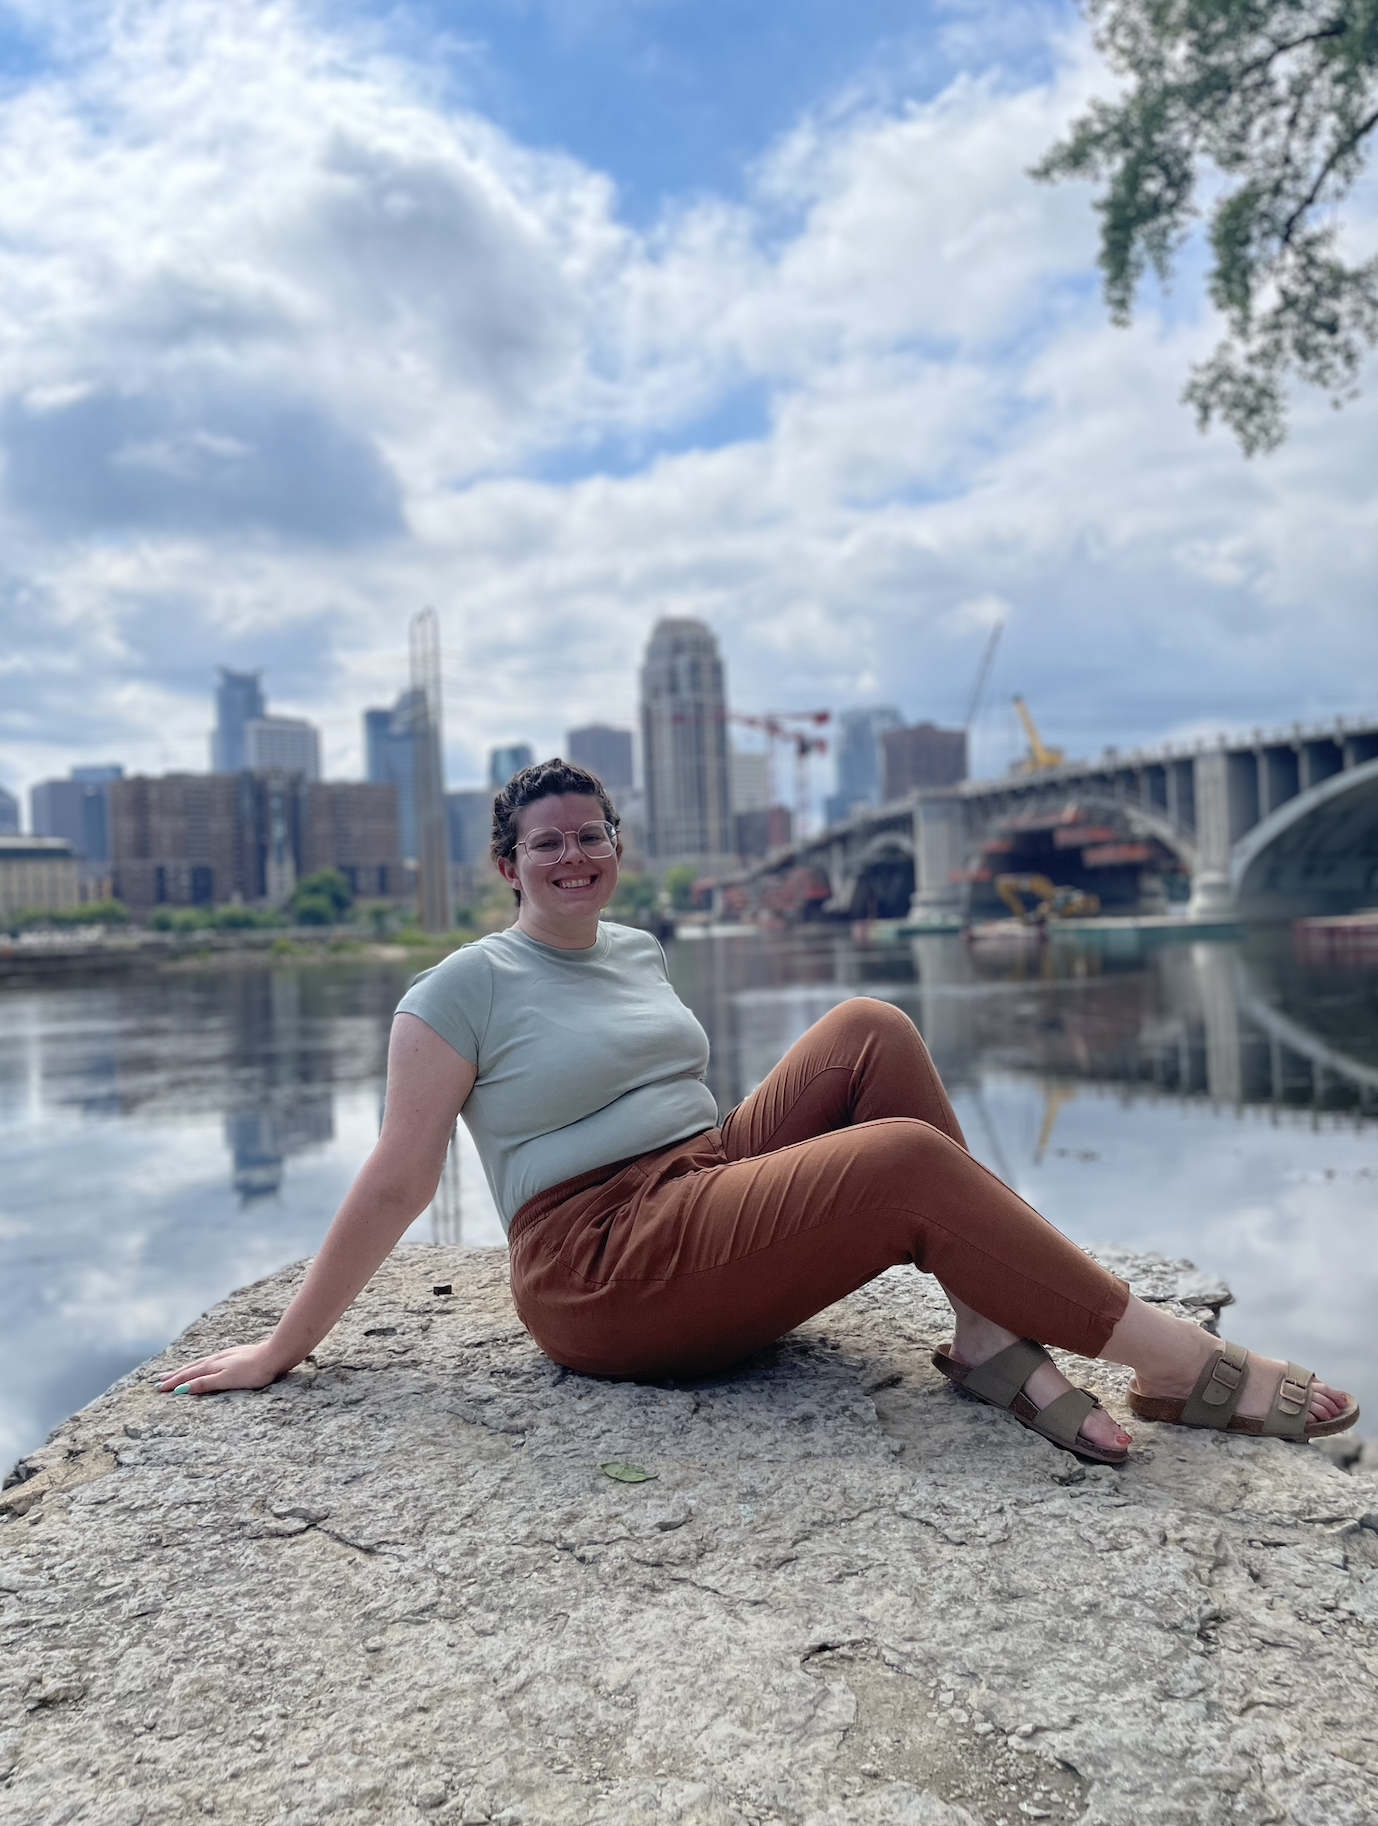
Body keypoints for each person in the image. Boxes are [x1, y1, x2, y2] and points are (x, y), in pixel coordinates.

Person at [161, 759, 1358, 1463]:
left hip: (694, 1179)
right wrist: (282, 1349)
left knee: (868, 1027)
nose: (574, 855)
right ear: (506, 863)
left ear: (615, 846)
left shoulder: (633, 946)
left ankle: (990, 1332)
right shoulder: (456, 990)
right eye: (546, 843)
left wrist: (749, 1180)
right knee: (895, 1161)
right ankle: (1170, 1360)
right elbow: (394, 1181)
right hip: (601, 1266)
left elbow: (669, 1103)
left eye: (592, 835)